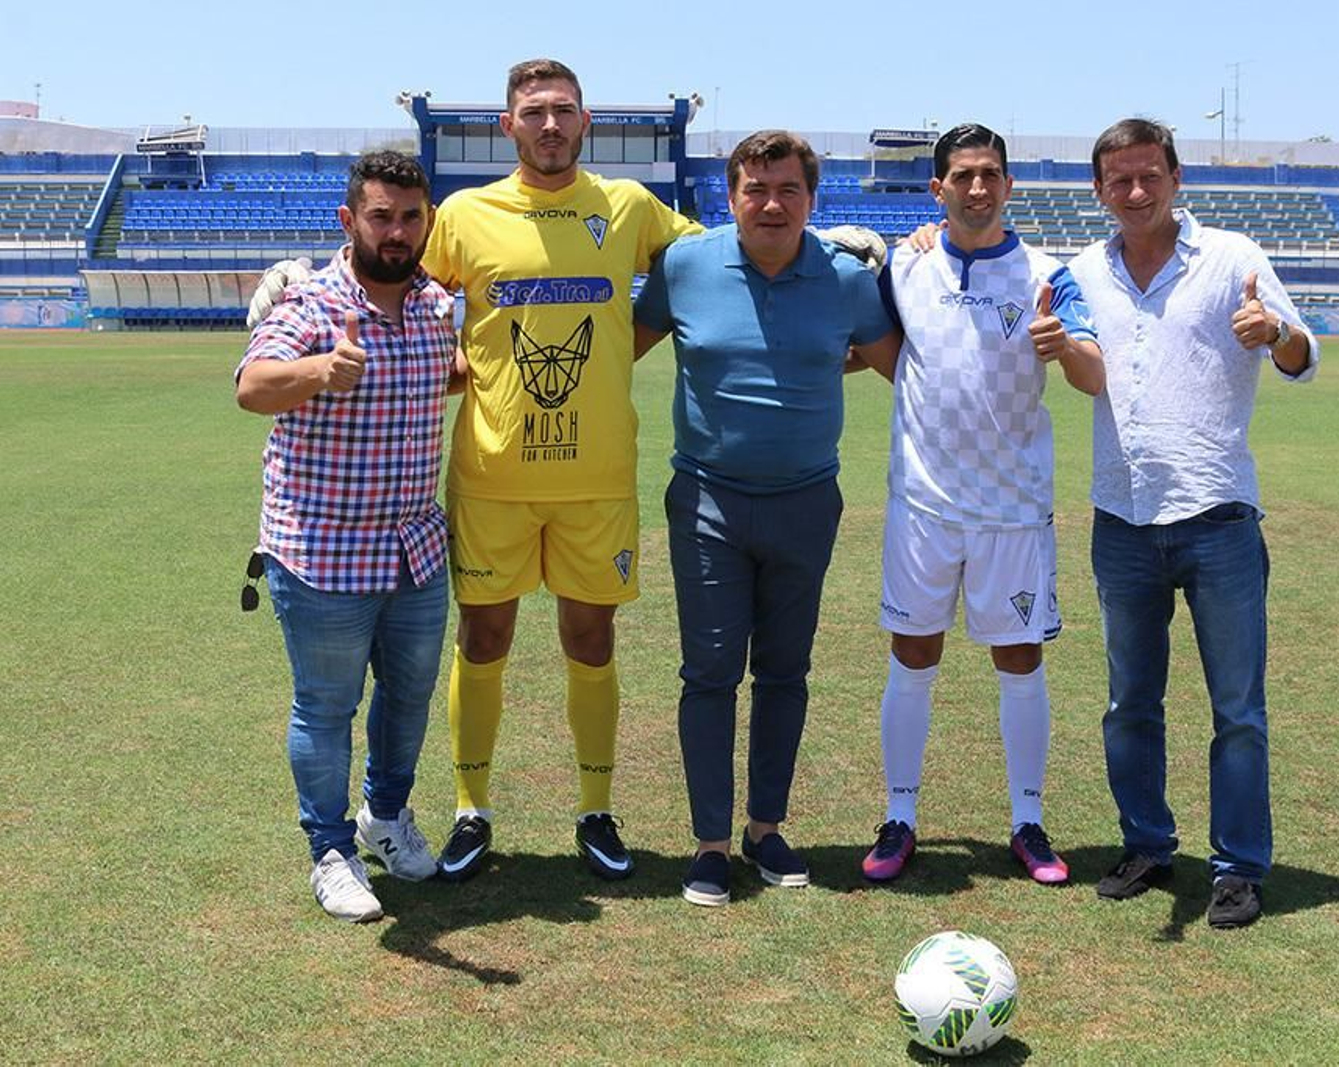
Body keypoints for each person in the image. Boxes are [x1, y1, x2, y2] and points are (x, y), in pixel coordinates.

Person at [419, 59, 703, 883]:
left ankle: (596, 809)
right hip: (492, 475)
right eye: (534, 112)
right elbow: (408, 305)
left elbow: (719, 257)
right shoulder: (464, 216)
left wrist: (834, 244)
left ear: (587, 123)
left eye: (564, 111)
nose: (550, 125)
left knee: (591, 635)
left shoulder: (627, 207)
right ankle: (472, 810)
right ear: (507, 126)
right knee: (484, 636)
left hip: (596, 476)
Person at [633, 130, 901, 907]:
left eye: (788, 189)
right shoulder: (684, 265)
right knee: (710, 673)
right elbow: (617, 349)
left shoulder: (847, 278)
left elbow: (904, 363)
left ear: (812, 199)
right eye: (756, 189)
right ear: (732, 196)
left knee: (786, 672)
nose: (772, 203)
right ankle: (711, 843)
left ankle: (766, 828)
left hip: (808, 503)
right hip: (708, 502)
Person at [1069, 119, 1319, 928]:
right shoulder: (1084, 270)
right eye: (1119, 180)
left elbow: (1304, 356)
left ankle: (1239, 867)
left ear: (1176, 178)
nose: (1136, 192)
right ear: (1100, 190)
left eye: (1149, 176)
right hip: (1123, 517)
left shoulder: (1233, 258)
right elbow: (989, 249)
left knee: (1237, 709)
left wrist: (1275, 332)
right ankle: (1147, 843)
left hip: (1219, 520)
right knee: (1129, 704)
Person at [857, 124, 1104, 887]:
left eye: (990, 173)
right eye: (962, 174)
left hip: (1014, 507)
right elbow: (872, 342)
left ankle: (1028, 821)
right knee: (912, 654)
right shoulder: (904, 263)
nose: (977, 186)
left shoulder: (1048, 273)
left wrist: (1065, 345)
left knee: (1019, 659)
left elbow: (1095, 377)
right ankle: (900, 817)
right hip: (924, 506)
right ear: (937, 188)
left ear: (1007, 185)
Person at [235, 151, 460, 922]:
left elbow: (449, 370)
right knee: (326, 708)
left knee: (410, 695)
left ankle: (385, 817)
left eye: (409, 217)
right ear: (348, 221)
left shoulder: (435, 305)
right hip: (323, 551)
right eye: (380, 216)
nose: (396, 232)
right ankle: (329, 849)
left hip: (416, 548)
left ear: (426, 219)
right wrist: (319, 370)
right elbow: (250, 387)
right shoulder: (311, 304)